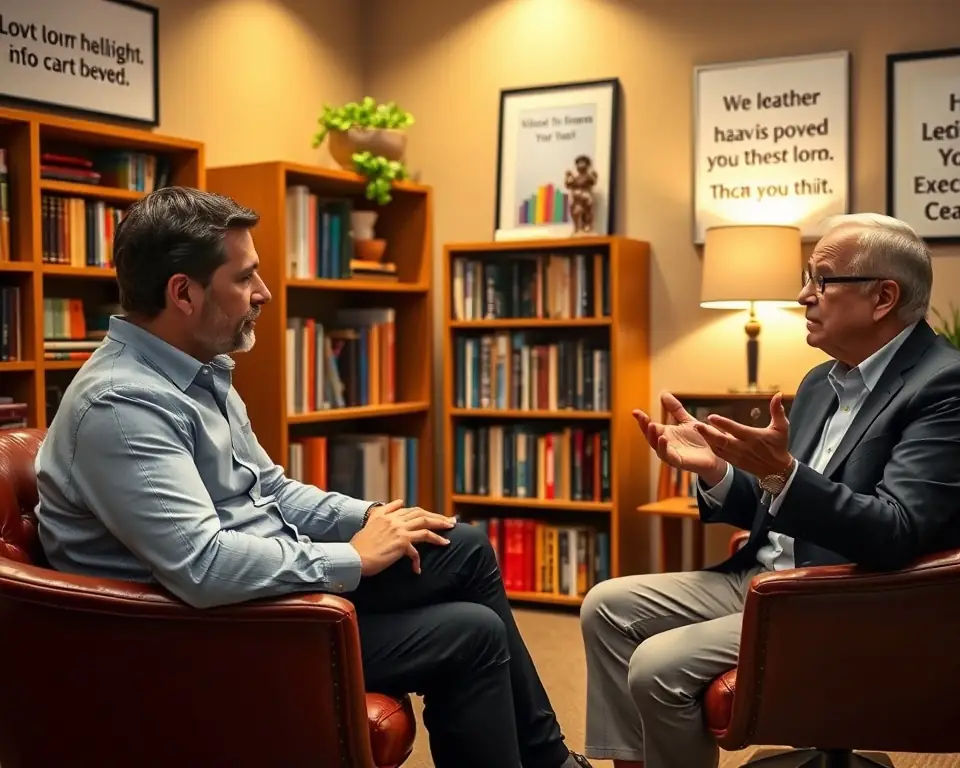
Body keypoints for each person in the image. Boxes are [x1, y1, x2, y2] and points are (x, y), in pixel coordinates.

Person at [34, 186, 593, 768]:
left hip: (262, 590)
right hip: (208, 632)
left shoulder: (197, 371)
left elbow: (270, 490)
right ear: (184, 293)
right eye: (244, 277)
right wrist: (352, 558)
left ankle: (551, 762)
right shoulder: (121, 405)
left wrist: (371, 518)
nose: (263, 292)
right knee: (471, 634)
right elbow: (202, 565)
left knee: (463, 547)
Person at [579, 213, 960, 768]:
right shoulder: (820, 381)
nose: (804, 295)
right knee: (606, 606)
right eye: (808, 278)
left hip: (852, 597)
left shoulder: (952, 386)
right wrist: (716, 470)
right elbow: (777, 504)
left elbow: (896, 531)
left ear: (883, 297)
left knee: (658, 664)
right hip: (768, 578)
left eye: (822, 280)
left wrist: (782, 475)